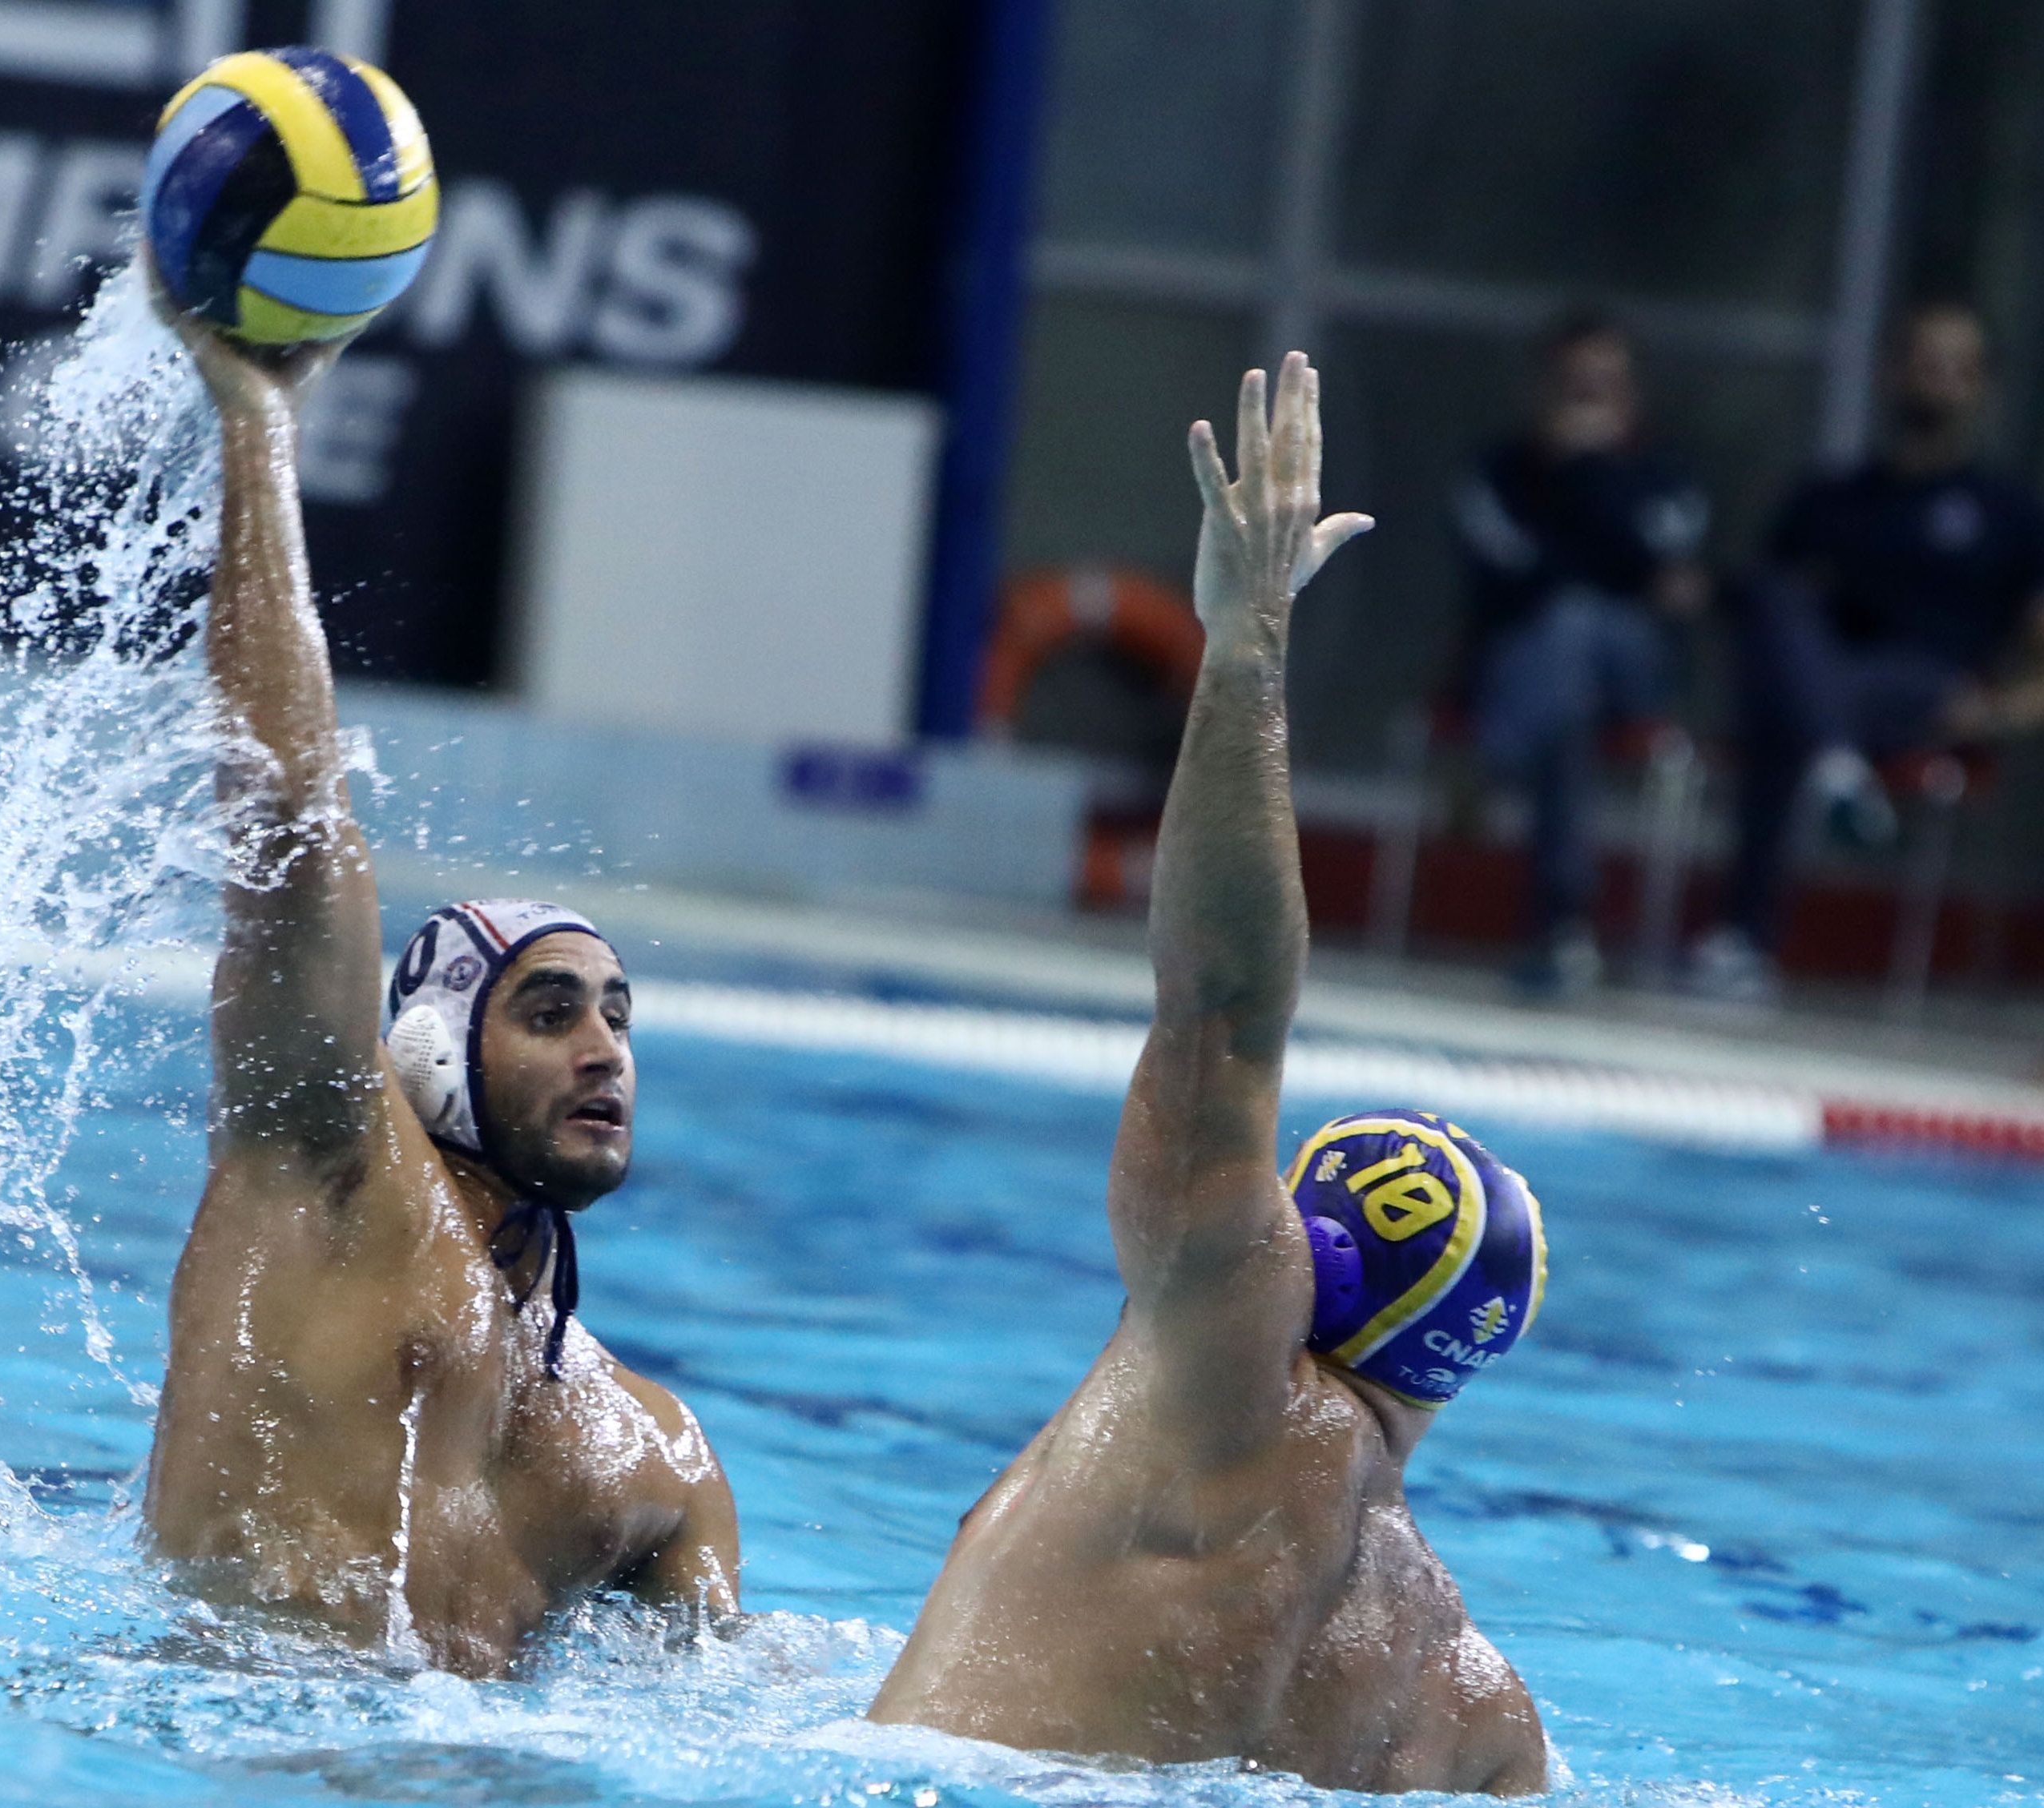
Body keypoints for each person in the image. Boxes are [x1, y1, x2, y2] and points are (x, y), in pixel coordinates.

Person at [870, 356, 1551, 1797]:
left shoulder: (1228, 1364)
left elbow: (1223, 1006)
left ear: (1308, 1257)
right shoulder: (1480, 1714)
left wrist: (1246, 648)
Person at [139, 288, 739, 1677]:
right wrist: (257, 424)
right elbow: (288, 819)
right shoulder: (330, 1166)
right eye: (549, 1010)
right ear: (427, 1054)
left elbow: (733, 1703)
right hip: (217, 1737)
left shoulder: (659, 1453)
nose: (604, 1046)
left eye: (618, 1015)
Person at [1693, 303, 2044, 1003]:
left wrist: (1993, 713)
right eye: (1924, 361)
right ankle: (1836, 768)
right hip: (1828, 687)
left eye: (1956, 367)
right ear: (1890, 371)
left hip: (1930, 699)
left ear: (1981, 387)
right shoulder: (1830, 499)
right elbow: (1756, 618)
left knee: (1786, 715)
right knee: (1775, 607)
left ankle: (1746, 936)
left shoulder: (2009, 515)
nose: (1936, 380)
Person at [1453, 312, 1711, 996]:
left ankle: (1494, 764)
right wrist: (1599, 556)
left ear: (1631, 395)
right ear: (1541, 388)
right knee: (1564, 698)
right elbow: (1501, 578)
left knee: (1572, 623)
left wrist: (1587, 472)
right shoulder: (1498, 472)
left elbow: (1665, 573)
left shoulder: (1665, 474)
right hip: (1531, 664)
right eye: (1573, 386)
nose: (1586, 402)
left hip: (1635, 668)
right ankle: (1560, 928)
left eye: (1602, 387)